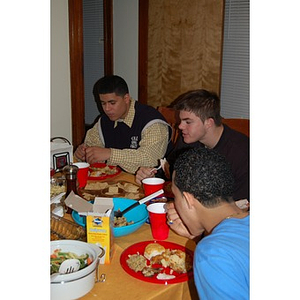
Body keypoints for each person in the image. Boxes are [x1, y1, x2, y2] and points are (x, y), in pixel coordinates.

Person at [135, 89, 249, 204]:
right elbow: (169, 171)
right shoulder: (189, 139)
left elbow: (240, 207)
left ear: (209, 123)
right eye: (181, 120)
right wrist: (149, 176)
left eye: (188, 122)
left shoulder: (242, 153)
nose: (180, 126)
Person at [166, 147, 249, 299]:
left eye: (175, 196)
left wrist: (206, 244)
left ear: (188, 199)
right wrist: (198, 237)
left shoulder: (212, 255)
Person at [74, 75, 173, 174]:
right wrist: (83, 154)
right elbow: (92, 148)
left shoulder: (152, 122)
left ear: (126, 98)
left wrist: (110, 154)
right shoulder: (103, 121)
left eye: (112, 103)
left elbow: (150, 160)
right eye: (103, 103)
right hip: (116, 181)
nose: (107, 109)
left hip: (153, 185)